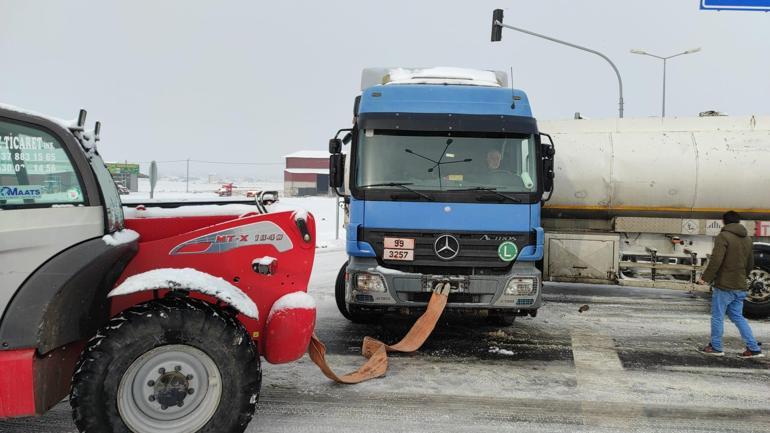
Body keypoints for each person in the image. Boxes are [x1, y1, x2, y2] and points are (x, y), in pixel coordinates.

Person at [697, 211, 763, 358]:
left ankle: (716, 347)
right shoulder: (747, 239)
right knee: (738, 317)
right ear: (738, 221)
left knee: (717, 316)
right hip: (740, 286)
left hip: (724, 286)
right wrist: (742, 277)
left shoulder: (723, 236)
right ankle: (753, 348)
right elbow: (750, 263)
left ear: (723, 221)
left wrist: (705, 278)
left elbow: (716, 260)